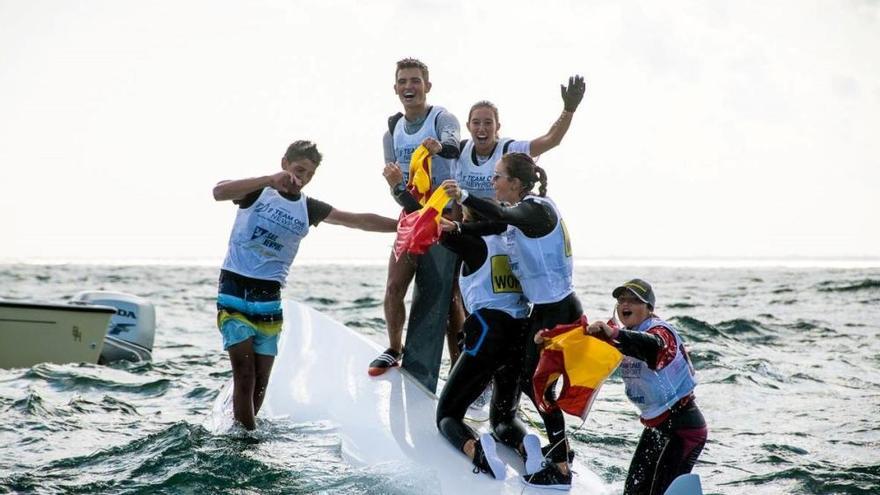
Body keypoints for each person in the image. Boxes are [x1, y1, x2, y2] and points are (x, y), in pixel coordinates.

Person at [213, 140, 398, 431]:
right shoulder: (257, 191)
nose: (301, 178)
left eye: (309, 175)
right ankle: (246, 442)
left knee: (261, 382)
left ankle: (240, 430)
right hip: (234, 291)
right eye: (298, 170)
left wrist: (405, 223)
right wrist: (268, 179)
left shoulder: (308, 208)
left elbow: (358, 221)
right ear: (284, 162)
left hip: (269, 298)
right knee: (245, 375)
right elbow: (219, 191)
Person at [385, 164, 540, 479]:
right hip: (521, 333)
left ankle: (477, 449)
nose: (457, 219)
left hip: (488, 333)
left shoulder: (472, 242)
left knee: (447, 415)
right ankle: (528, 447)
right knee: (503, 419)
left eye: (462, 215)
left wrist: (399, 189)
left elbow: (426, 219)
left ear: (469, 220)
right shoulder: (514, 241)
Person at [440, 152, 580, 489]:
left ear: (516, 183)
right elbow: (494, 224)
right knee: (530, 392)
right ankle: (542, 447)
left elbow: (499, 215)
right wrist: (458, 225)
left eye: (498, 176)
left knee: (540, 391)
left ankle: (561, 465)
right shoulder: (522, 216)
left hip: (557, 313)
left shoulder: (537, 208)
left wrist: (463, 197)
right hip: (538, 315)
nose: (493, 181)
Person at [369, 58, 464, 377]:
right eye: (403, 82)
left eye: (415, 81)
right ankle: (395, 348)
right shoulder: (392, 132)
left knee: (447, 296)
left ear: (427, 86)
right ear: (395, 88)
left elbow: (453, 147)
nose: (409, 87)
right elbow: (396, 186)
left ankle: (458, 365)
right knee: (395, 286)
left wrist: (438, 147)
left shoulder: (441, 117)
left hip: (446, 211)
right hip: (412, 210)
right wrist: (396, 185)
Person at [585, 279, 707, 495]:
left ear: (649, 308)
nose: (626, 304)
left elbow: (651, 346)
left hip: (683, 427)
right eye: (622, 299)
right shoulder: (623, 335)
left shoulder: (660, 332)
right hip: (657, 425)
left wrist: (614, 334)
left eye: (634, 300)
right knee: (633, 491)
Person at [457, 75, 585, 199]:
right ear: (468, 126)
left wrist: (568, 110)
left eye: (488, 123)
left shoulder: (510, 150)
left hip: (503, 218)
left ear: (498, 127)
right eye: (476, 122)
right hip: (468, 220)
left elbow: (551, 140)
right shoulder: (460, 149)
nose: (481, 128)